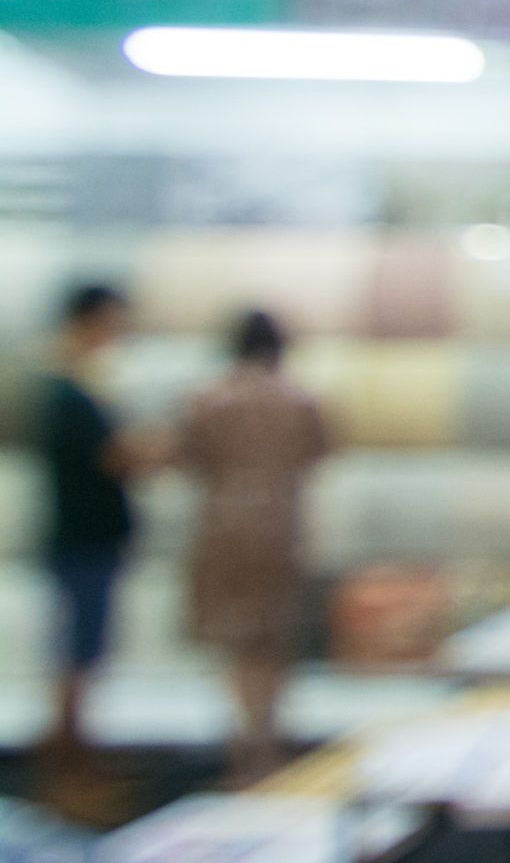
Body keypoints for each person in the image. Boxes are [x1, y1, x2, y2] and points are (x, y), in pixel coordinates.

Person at [176, 311, 330, 784]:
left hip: (225, 528)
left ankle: (245, 741)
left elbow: (190, 459)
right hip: (281, 527)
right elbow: (319, 455)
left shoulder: (208, 399)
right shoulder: (300, 400)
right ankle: (269, 738)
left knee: (237, 640)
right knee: (275, 637)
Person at [35, 285, 153, 786]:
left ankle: (72, 759)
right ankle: (68, 765)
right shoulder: (71, 391)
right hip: (84, 538)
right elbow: (110, 458)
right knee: (79, 651)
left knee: (81, 650)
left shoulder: (74, 387)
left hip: (84, 535)